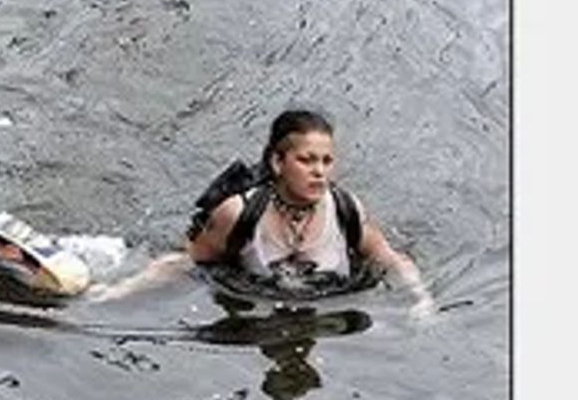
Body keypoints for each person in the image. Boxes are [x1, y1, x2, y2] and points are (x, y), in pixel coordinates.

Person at [96, 108, 432, 315]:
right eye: (306, 160)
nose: (320, 172)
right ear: (277, 162)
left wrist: (421, 302)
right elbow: (186, 260)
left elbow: (391, 258)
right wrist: (119, 292)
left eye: (327, 161)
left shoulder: (347, 209)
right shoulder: (237, 214)